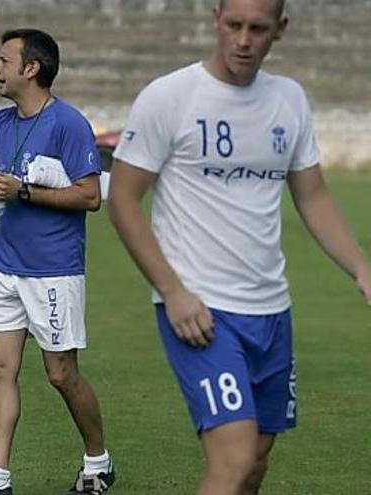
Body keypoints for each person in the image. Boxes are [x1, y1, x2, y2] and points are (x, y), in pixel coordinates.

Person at [107, 1, 371, 493]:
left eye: (257, 29)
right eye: (234, 26)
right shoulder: (171, 97)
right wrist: (173, 290)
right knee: (232, 459)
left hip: (272, 310)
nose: (243, 40)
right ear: (215, 21)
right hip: (199, 309)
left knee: (255, 463)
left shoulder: (289, 99)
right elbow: (122, 199)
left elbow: (312, 195)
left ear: (281, 30)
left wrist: (361, 267)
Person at [0, 29, 114, 495]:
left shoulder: (69, 124)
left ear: (31, 69)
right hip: (4, 270)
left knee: (60, 373)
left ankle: (98, 461)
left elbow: (90, 195)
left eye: (3, 61)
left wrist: (24, 192)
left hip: (54, 272)